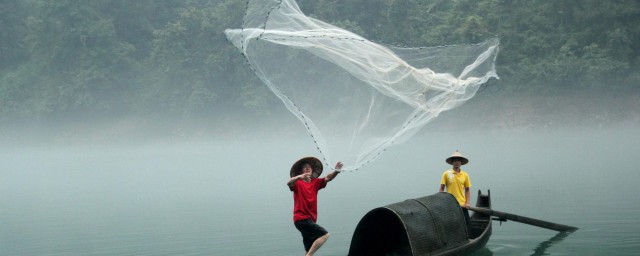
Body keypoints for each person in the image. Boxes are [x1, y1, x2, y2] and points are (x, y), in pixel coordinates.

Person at [287, 157, 343, 256]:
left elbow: (327, 178)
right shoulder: (298, 183)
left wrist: (336, 171)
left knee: (309, 248)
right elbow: (289, 182)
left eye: (309, 167)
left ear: (312, 170)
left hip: (310, 220)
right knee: (325, 235)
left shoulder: (315, 182)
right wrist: (300, 177)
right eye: (305, 167)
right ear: (301, 171)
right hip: (301, 219)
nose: (308, 168)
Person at [439, 150, 472, 224]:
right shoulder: (446, 174)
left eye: (458, 160)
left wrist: (467, 203)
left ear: (461, 163)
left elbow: (467, 190)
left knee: (467, 224)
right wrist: (441, 201)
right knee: (451, 224)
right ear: (452, 162)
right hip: (450, 204)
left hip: (462, 205)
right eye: (455, 160)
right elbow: (441, 189)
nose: (457, 162)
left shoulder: (465, 175)